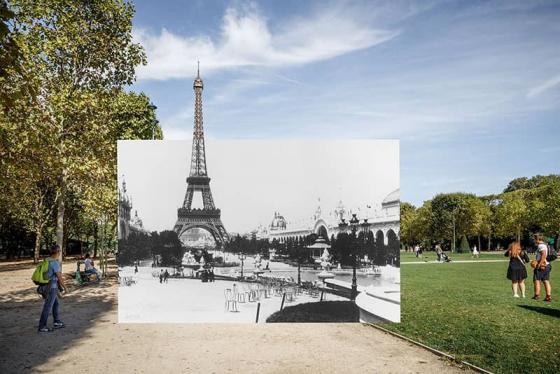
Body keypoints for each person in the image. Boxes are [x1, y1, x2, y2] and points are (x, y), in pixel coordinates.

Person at [38, 244, 67, 333]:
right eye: (60, 251)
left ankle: (56, 322)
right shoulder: (54, 262)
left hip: (46, 286)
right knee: (47, 306)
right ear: (57, 252)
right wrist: (65, 288)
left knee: (56, 304)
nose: (60, 253)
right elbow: (59, 277)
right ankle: (42, 326)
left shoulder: (46, 260)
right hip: (52, 288)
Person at [533, 233, 552, 302]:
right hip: (547, 265)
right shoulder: (544, 245)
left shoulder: (541, 246)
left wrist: (539, 264)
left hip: (542, 266)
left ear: (537, 239)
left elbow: (544, 255)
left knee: (537, 280)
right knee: (546, 280)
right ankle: (548, 296)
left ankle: (537, 295)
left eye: (534, 239)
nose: (534, 240)